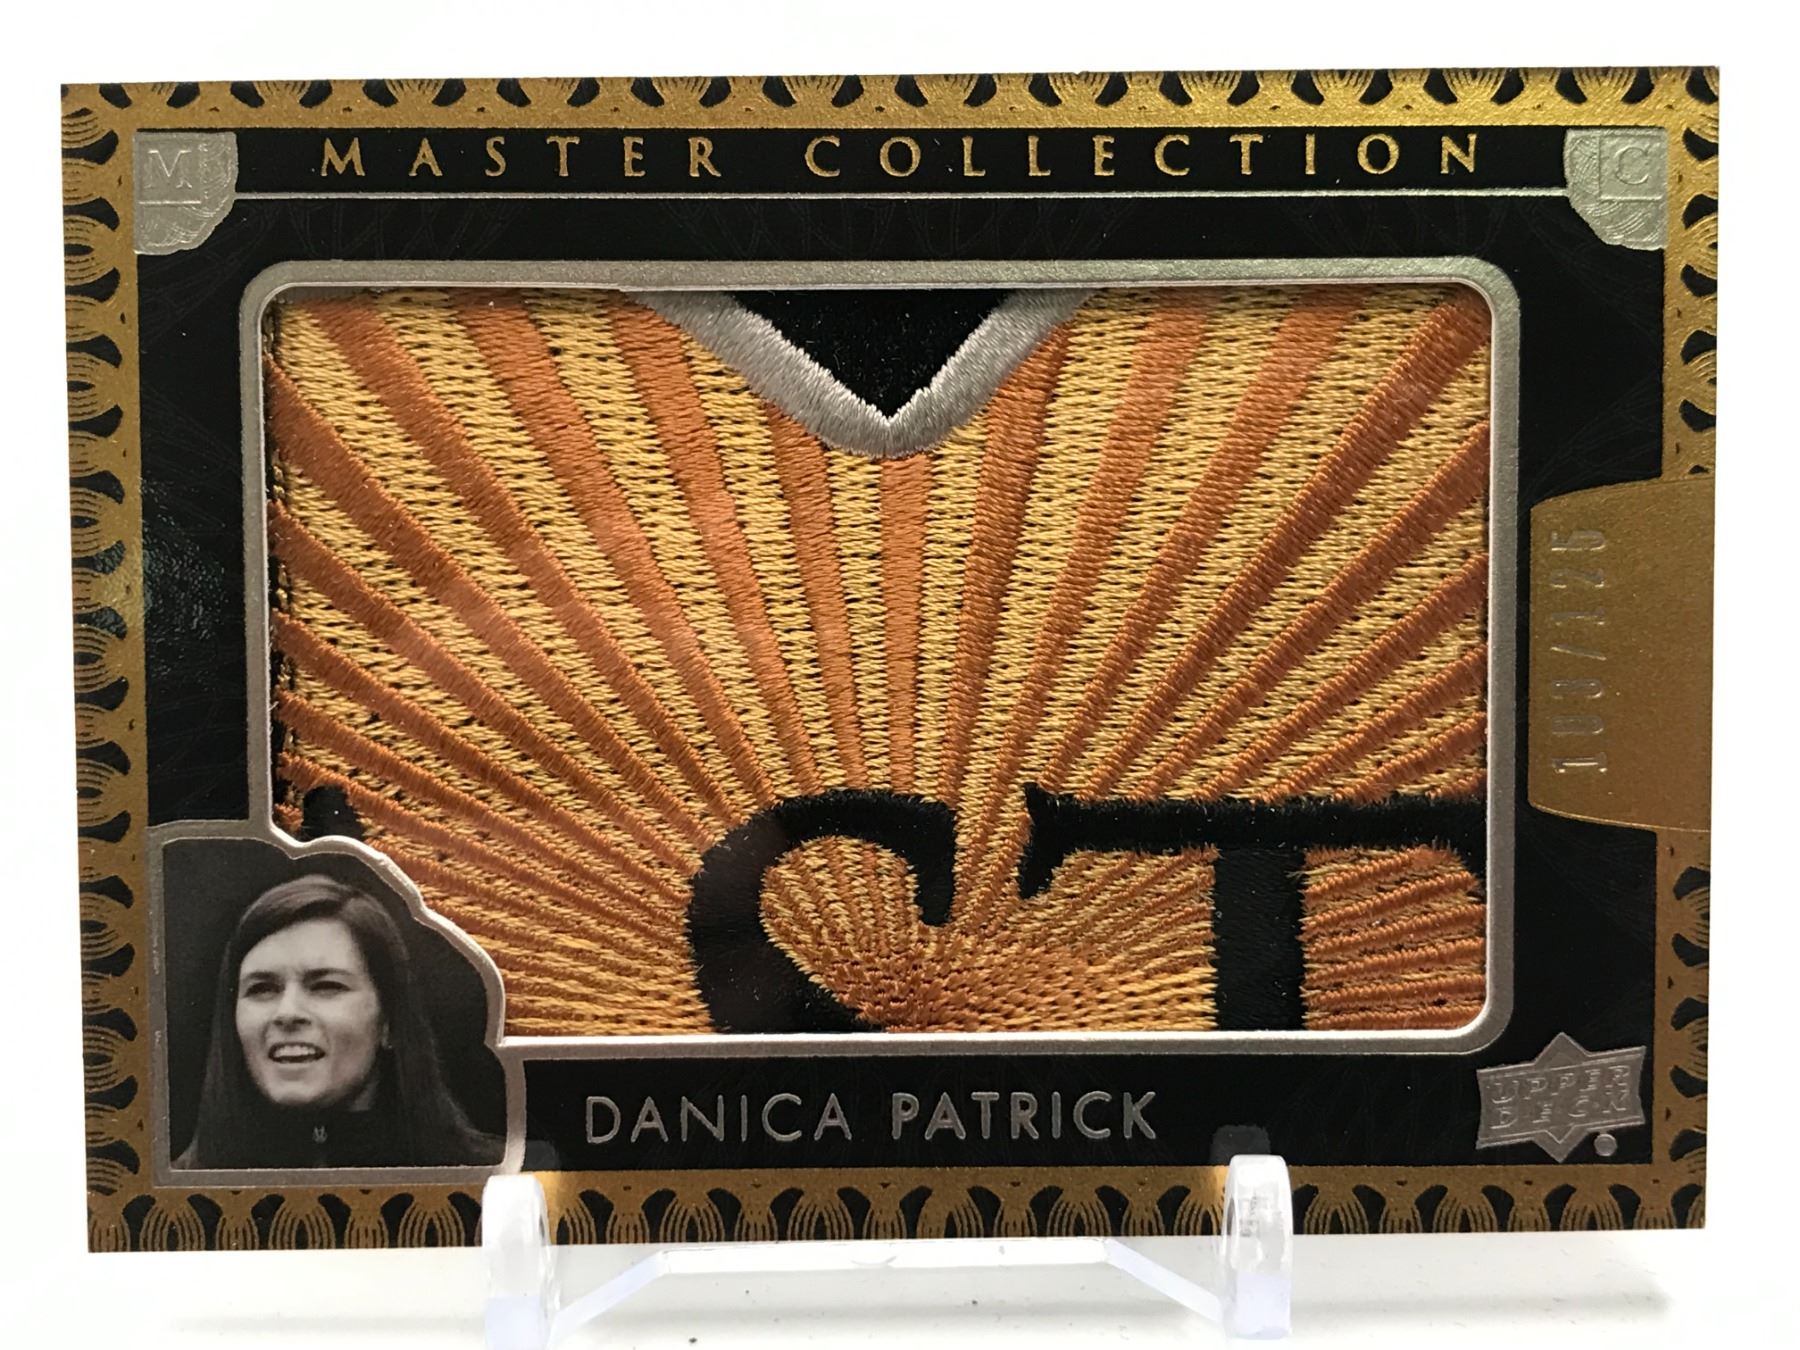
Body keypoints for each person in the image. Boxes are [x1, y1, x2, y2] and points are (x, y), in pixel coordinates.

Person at [177, 874, 501, 1169]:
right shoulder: (171, 1195)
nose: (287, 1013)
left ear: (389, 1021)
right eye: (262, 989)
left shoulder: (498, 1182)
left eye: (326, 986)